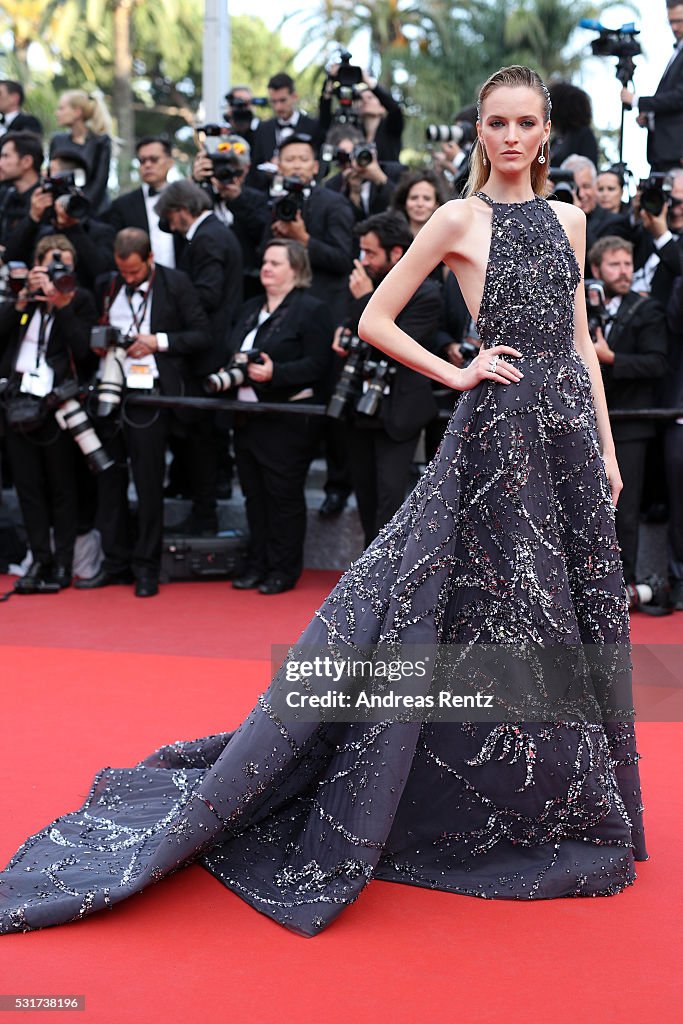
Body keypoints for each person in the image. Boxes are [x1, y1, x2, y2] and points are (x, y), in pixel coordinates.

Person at [0, 66, 646, 939]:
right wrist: (458, 369)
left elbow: (576, 340)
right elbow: (378, 318)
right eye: (495, 122)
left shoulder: (570, 219)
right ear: (480, 129)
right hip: (496, 435)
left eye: (526, 123)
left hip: (567, 433)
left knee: (565, 611)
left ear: (544, 134)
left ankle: (570, 798)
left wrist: (604, 449)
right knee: (487, 608)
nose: (510, 138)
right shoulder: (456, 219)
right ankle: (471, 791)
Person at [73, 228, 210, 598]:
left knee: (149, 482)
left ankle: (147, 566)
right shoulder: (107, 283)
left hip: (150, 394)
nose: (129, 279)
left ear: (150, 259)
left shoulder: (176, 283)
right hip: (108, 392)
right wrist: (99, 345)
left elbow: (201, 335)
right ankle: (115, 563)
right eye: (124, 273)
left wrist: (157, 341)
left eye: (134, 272)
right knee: (108, 479)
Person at [226, 240, 333, 594]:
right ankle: (257, 562)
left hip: (287, 418)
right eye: (265, 261)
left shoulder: (312, 309)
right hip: (246, 414)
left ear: (296, 269)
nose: (266, 267)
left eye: (275, 262)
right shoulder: (251, 307)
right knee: (254, 494)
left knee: (282, 494)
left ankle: (283, 569)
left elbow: (319, 364)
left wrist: (277, 374)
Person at [0, 235, 97, 590]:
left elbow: (84, 352)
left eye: (65, 263)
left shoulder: (81, 299)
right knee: (28, 487)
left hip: (56, 406)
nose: (58, 270)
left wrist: (62, 304)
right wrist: (24, 297)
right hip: (16, 402)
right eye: (51, 264)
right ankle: (39, 559)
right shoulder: (23, 300)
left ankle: (63, 562)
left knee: (61, 486)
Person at [588, 236, 668, 590]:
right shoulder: (581, 310)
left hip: (632, 423)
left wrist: (611, 360)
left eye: (627, 264)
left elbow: (657, 363)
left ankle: (625, 585)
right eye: (614, 264)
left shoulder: (647, 309)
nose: (623, 271)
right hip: (585, 423)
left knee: (626, 510)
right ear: (595, 270)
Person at [621, 1, 683, 172]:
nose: (675, 27)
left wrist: (637, 101)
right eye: (671, 22)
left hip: (676, 154)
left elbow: (679, 97)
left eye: (680, 21)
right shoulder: (677, 51)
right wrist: (651, 117)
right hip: (662, 153)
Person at [104, 136, 178, 268]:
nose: (147, 165)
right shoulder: (122, 206)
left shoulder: (183, 199)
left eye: (154, 159)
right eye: (142, 161)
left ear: (170, 162)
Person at [49, 89, 113, 216]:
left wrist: (79, 208)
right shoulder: (57, 140)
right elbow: (53, 176)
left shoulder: (101, 142)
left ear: (77, 112)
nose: (57, 113)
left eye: (61, 108)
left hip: (94, 212)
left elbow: (99, 182)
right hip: (60, 209)